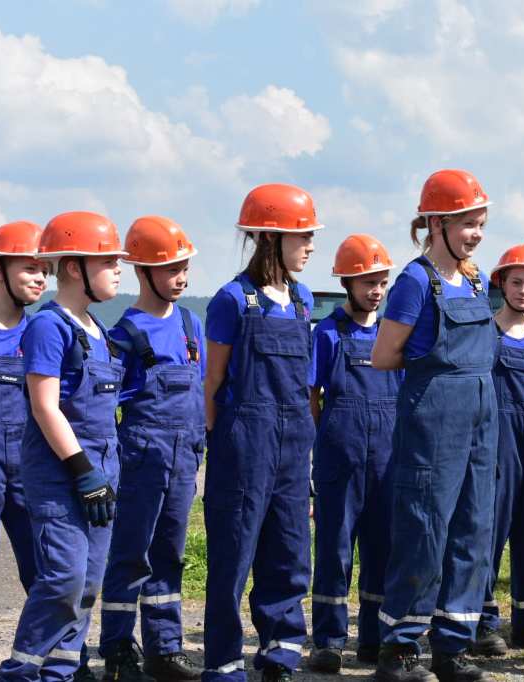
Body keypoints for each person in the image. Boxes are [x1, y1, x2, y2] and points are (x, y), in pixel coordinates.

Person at [371, 169, 498, 682]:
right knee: (424, 531)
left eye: (481, 223)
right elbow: (383, 356)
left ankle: (452, 646)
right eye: (468, 223)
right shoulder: (415, 282)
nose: (476, 234)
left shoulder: (476, 280)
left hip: (482, 416)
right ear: (437, 223)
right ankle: (399, 649)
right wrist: (434, 369)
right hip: (433, 418)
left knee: (473, 529)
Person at [0, 212, 126, 682]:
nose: (118, 270)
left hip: (101, 470)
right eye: (108, 261)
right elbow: (44, 406)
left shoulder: (98, 329)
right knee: (64, 579)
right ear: (74, 267)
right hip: (61, 474)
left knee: (89, 581)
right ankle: (20, 672)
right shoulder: (49, 326)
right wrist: (82, 470)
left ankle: (60, 673)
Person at [202, 184, 320, 682]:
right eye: (303, 236)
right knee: (233, 554)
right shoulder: (232, 300)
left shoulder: (303, 300)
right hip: (244, 443)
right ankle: (224, 662)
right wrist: (224, 443)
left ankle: (281, 652)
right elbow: (212, 382)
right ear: (271, 237)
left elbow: (307, 384)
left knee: (289, 552)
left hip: (293, 444)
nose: (311, 245)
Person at [98, 217, 205, 682]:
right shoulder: (124, 336)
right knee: (129, 554)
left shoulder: (190, 324)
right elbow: (105, 407)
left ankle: (165, 648)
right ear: (142, 271)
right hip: (141, 459)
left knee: (170, 553)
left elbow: (204, 390)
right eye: (171, 269)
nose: (181, 278)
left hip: (184, 459)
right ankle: (118, 648)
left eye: (184, 268)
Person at [308, 234, 401, 674]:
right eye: (367, 282)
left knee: (382, 551)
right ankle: (328, 642)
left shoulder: (394, 336)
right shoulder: (327, 333)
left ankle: (372, 638)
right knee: (334, 550)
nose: (376, 291)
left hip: (387, 460)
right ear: (346, 283)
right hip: (339, 460)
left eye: (382, 282)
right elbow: (311, 395)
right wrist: (323, 441)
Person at [0, 222, 48, 682]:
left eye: (45, 270)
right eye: (29, 268)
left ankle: (51, 660)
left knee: (48, 567)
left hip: (33, 468)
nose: (40, 278)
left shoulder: (45, 332)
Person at [473, 244, 524, 656]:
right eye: (517, 282)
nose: (523, 291)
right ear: (501, 284)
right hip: (495, 441)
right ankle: (484, 622)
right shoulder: (485, 333)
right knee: (489, 532)